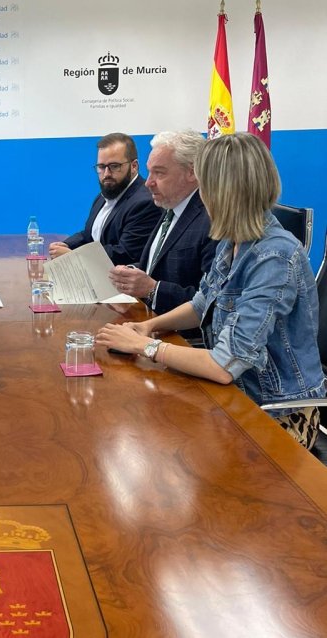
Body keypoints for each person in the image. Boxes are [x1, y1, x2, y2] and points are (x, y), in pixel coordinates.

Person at [96, 133, 326, 449]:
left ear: (225, 192)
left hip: (274, 411)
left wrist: (145, 345)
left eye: (205, 187)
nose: (201, 198)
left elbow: (223, 365)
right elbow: (203, 303)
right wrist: (149, 326)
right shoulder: (235, 240)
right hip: (238, 393)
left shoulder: (274, 256)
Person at [108, 130, 216, 314]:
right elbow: (157, 266)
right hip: (148, 320)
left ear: (192, 172)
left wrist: (153, 289)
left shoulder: (213, 220)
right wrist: (130, 274)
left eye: (159, 173)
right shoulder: (171, 207)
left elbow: (212, 302)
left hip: (181, 337)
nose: (148, 183)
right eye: (149, 172)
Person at [49, 132, 162, 265]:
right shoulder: (105, 194)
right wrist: (64, 245)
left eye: (114, 166)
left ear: (134, 166)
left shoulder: (145, 202)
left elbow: (126, 253)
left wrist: (74, 256)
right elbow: (89, 235)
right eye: (101, 167)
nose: (106, 174)